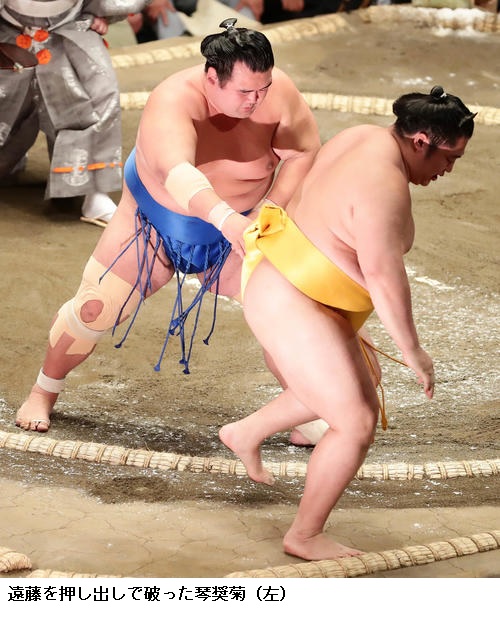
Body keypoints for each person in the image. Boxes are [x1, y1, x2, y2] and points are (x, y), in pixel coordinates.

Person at [14, 18, 321, 433]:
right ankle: (43, 392)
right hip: (155, 220)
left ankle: (304, 411)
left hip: (246, 224)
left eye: (262, 89)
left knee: (289, 319)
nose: (256, 100)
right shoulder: (173, 100)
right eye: (244, 92)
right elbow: (179, 175)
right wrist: (227, 220)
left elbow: (303, 153)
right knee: (94, 309)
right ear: (211, 78)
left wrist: (267, 211)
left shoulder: (277, 93)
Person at [219, 85, 476, 561]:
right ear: (421, 141)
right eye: (449, 157)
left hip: (300, 284)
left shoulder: (364, 136)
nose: (449, 169)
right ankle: (305, 535)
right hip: (292, 296)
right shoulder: (383, 184)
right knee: (355, 421)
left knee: (361, 381)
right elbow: (383, 275)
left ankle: (246, 432)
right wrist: (413, 350)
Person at [0, 0, 149, 227]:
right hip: (8, 31)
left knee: (97, 93)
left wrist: (100, 13)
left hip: (70, 26)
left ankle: (95, 192)